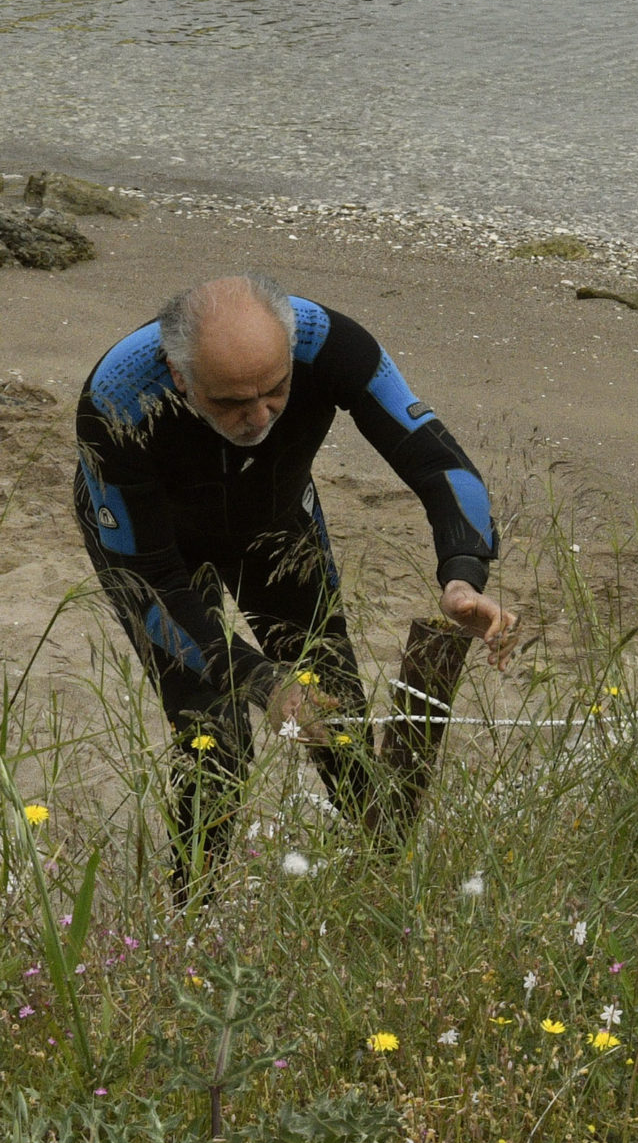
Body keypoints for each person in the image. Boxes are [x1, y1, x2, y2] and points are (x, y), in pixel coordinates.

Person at [73, 274, 517, 885]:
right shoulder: (118, 394)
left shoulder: (330, 343)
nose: (259, 417)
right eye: (231, 402)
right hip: (156, 547)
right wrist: (261, 679)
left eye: (276, 390)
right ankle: (190, 909)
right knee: (217, 744)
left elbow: (437, 458)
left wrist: (463, 575)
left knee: (336, 714)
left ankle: (383, 877)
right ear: (182, 378)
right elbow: (151, 584)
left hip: (275, 525)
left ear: (289, 354)